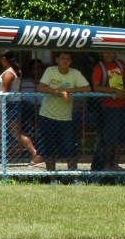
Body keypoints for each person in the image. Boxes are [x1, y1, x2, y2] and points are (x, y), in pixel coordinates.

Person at [37, 51, 91, 182]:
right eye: (62, 58)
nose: (65, 61)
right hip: (47, 116)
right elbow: (42, 87)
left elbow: (87, 88)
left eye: (68, 59)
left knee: (70, 148)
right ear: (57, 60)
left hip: (66, 118)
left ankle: (74, 179)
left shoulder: (75, 73)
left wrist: (68, 91)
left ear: (71, 62)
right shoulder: (50, 70)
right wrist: (59, 92)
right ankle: (52, 179)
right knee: (49, 149)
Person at [0, 50, 41, 167]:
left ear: (4, 59)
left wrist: (0, 106)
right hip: (13, 104)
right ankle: (34, 153)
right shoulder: (14, 71)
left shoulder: (9, 73)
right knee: (15, 132)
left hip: (7, 104)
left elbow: (5, 92)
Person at [91, 52, 125, 172]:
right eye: (106, 52)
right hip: (109, 106)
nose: (108, 55)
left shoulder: (121, 64)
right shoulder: (99, 67)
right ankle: (107, 165)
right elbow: (96, 87)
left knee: (120, 137)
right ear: (102, 53)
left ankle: (115, 164)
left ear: (115, 53)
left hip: (123, 104)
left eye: (111, 52)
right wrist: (113, 90)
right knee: (110, 138)